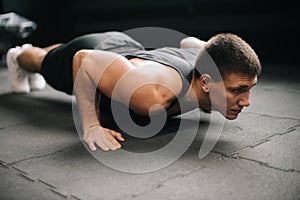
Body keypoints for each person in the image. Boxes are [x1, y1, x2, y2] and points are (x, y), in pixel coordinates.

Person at [6, 31, 261, 152]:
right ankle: (17, 54)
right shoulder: (152, 95)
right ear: (206, 83)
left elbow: (190, 44)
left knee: (58, 50)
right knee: (43, 60)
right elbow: (85, 59)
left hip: (129, 53)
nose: (246, 102)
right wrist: (91, 126)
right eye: (238, 90)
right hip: (96, 58)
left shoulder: (207, 62)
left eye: (249, 89)